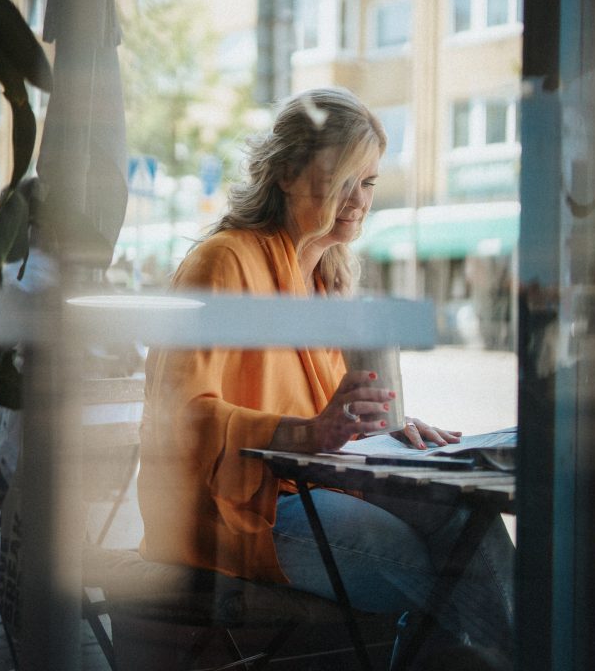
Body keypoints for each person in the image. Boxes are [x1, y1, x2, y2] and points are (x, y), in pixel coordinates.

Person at [138, 87, 515, 665]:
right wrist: (301, 434)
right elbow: (181, 419)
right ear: (286, 172)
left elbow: (325, 425)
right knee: (437, 566)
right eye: (343, 177)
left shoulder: (323, 280)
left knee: (463, 516)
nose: (358, 199)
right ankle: (538, 650)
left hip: (311, 487)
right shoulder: (225, 259)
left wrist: (385, 431)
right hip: (234, 509)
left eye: (368, 183)